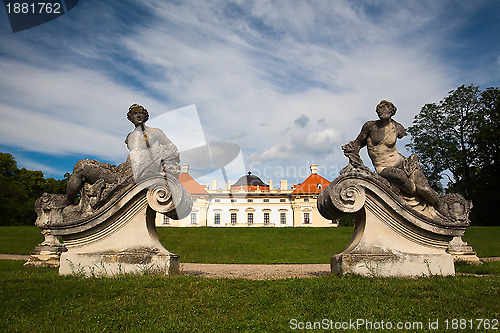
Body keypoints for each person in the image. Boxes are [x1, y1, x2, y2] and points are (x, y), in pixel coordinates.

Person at [64, 104, 180, 205]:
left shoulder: (155, 132)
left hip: (134, 174)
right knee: (82, 164)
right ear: (130, 118)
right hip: (121, 172)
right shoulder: (130, 136)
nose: (138, 115)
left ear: (146, 116)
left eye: (141, 113)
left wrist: (153, 160)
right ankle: (69, 200)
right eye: (135, 114)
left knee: (82, 168)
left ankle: (68, 201)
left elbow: (172, 148)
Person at [342, 100, 441, 209]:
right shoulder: (370, 127)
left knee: (425, 189)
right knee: (402, 178)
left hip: (401, 161)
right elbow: (358, 143)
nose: (380, 111)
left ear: (391, 111)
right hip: (383, 166)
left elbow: (402, 133)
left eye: (384, 109)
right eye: (379, 109)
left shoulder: (397, 128)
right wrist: (351, 151)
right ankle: (413, 197)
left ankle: (441, 212)